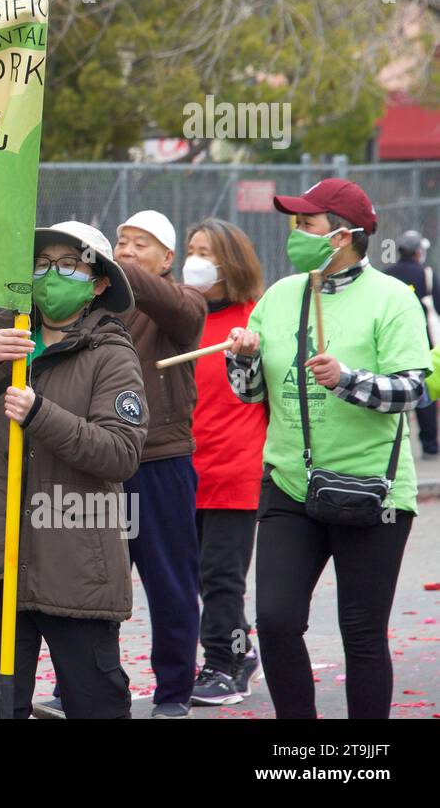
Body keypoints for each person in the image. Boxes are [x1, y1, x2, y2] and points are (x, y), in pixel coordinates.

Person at [0, 222, 147, 719]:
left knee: (97, 704)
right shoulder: (6, 337)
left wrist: (41, 413)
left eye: (68, 264)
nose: (51, 275)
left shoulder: (110, 355)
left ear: (99, 281)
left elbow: (120, 453)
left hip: (77, 571)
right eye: (42, 264)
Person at [225, 178, 428, 719]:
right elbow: (250, 394)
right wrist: (242, 358)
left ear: (342, 236)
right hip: (290, 482)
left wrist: (346, 379)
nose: (296, 233)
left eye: (307, 223)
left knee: (361, 632)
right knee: (275, 620)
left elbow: (415, 388)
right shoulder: (280, 295)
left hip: (373, 490)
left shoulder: (393, 299)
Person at [79, 208, 204, 720]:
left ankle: (174, 690)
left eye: (140, 244)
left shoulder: (179, 305)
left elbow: (175, 304)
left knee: (170, 581)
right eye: (120, 242)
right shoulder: (93, 305)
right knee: (86, 584)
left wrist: (103, 260)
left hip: (159, 463)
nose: (126, 250)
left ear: (168, 258)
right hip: (95, 462)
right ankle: (81, 688)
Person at [181, 219, 266, 706]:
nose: (195, 259)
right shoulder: (182, 316)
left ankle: (224, 664)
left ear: (230, 261)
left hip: (235, 468)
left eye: (206, 252)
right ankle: (242, 648)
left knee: (221, 577)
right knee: (192, 574)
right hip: (183, 469)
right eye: (190, 249)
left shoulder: (257, 317)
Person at [384, 229, 438, 459]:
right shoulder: (427, 274)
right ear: (418, 252)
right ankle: (430, 445)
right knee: (421, 390)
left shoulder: (386, 275)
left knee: (395, 391)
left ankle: (397, 442)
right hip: (422, 340)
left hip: (392, 341)